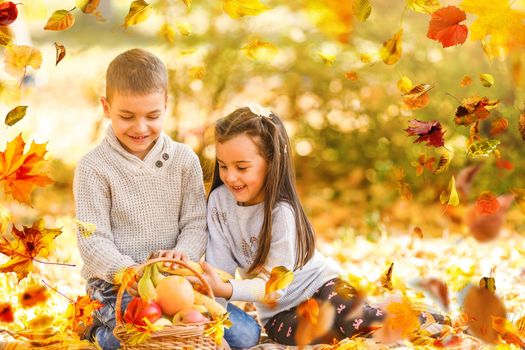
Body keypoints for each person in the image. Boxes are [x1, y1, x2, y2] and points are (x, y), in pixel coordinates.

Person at [200, 104, 387, 346]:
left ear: (271, 162)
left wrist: (227, 289)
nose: (230, 176)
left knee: (357, 321)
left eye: (242, 167)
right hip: (278, 313)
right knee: (323, 336)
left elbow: (274, 287)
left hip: (321, 286)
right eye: (223, 166)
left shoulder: (281, 212)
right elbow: (219, 273)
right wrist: (215, 327)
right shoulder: (219, 202)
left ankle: (432, 323)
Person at [73, 48, 207, 350]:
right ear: (106, 107)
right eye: (127, 116)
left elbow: (197, 224)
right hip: (114, 285)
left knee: (242, 334)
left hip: (173, 281)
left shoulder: (184, 160)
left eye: (153, 115)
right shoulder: (94, 167)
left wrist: (182, 257)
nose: (140, 127)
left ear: (166, 105)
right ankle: (95, 329)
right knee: (133, 340)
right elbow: (91, 241)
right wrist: (124, 270)